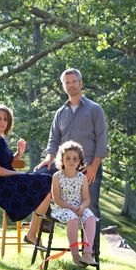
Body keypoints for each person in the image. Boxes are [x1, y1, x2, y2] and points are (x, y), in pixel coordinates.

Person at [35, 68, 108, 221]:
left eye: (74, 81)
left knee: (91, 207)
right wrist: (49, 158)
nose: (71, 85)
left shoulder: (95, 109)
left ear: (81, 83)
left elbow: (102, 139)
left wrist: (94, 166)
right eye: (67, 82)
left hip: (88, 167)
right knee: (37, 177)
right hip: (63, 167)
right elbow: (54, 139)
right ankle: (48, 219)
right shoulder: (60, 113)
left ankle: (92, 246)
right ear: (64, 86)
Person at [0, 104, 52, 245]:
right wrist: (16, 175)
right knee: (48, 181)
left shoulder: (0, 139)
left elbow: (8, 163)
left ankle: (34, 231)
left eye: (5, 119)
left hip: (8, 181)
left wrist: (19, 153)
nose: (2, 122)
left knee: (48, 188)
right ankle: (43, 221)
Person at [51, 140, 98, 267]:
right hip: (62, 208)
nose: (71, 161)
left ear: (80, 161)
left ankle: (88, 254)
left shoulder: (82, 178)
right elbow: (57, 199)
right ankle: (75, 255)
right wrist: (71, 207)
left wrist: (82, 207)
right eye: (68, 158)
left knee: (90, 218)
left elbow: (86, 199)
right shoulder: (57, 177)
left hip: (79, 207)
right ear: (62, 159)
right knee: (73, 219)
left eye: (75, 159)